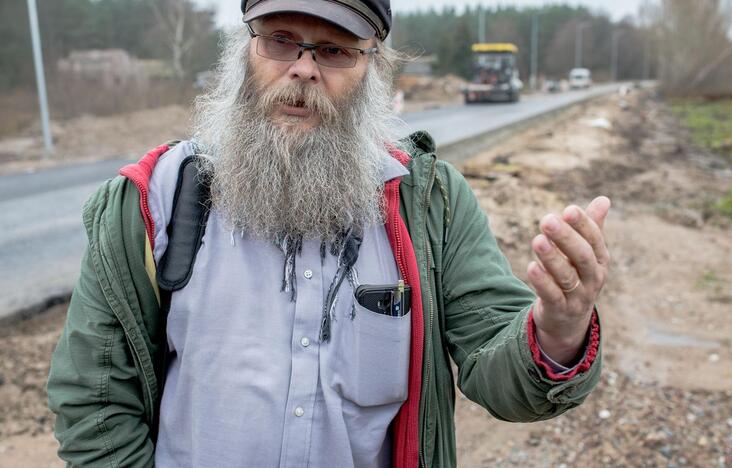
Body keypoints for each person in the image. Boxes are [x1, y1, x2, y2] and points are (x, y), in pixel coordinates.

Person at [46, 1, 611, 467]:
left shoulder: (430, 204)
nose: (303, 69)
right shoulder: (154, 199)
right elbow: (94, 399)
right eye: (281, 40)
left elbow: (500, 370)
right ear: (246, 49)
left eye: (335, 50)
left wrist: (557, 332)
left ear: (374, 68)